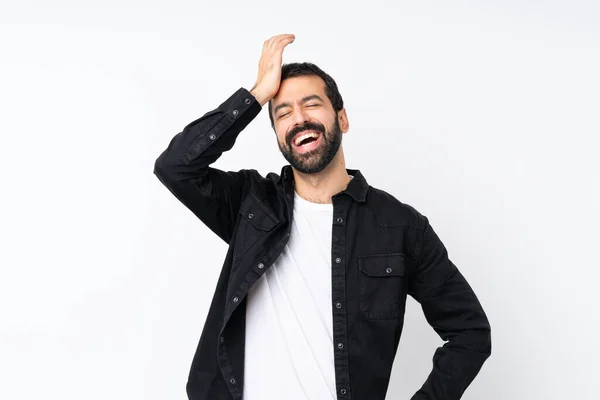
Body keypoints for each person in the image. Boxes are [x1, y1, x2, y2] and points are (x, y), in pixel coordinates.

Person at [153, 33, 491, 400]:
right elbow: (175, 167)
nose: (298, 119)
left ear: (342, 118)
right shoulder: (250, 205)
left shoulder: (400, 226)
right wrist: (256, 95)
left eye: (311, 104)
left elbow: (470, 332)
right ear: (279, 135)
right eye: (282, 112)